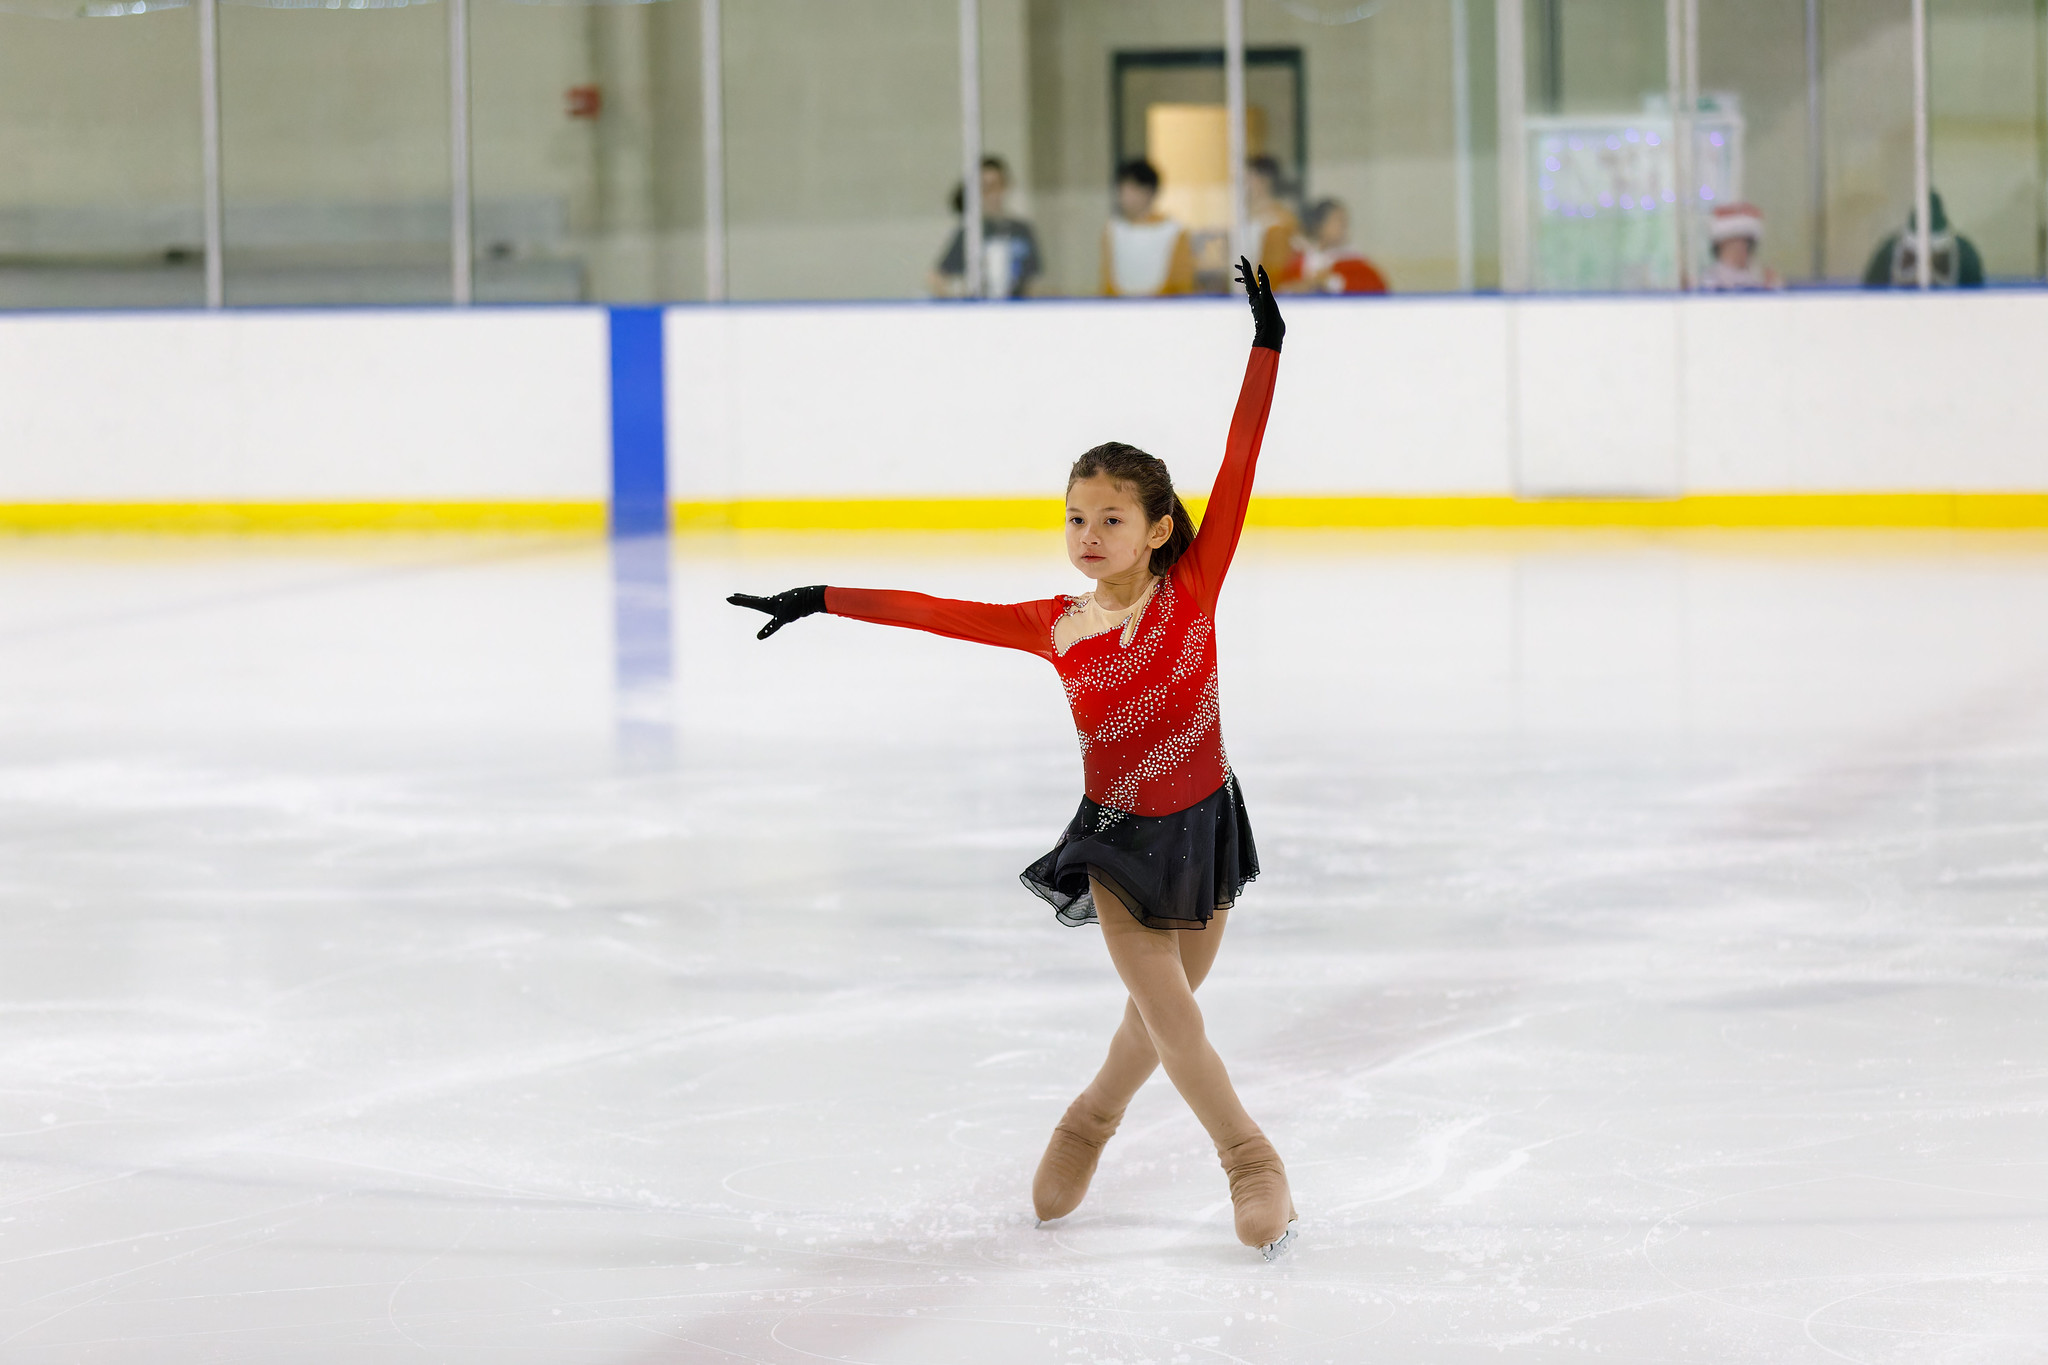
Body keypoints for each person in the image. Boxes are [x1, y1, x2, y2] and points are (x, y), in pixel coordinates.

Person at [728, 260, 1298, 1261]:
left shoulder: (1193, 587)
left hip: (1203, 820)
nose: (1087, 534)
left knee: (1160, 1019)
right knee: (1167, 1008)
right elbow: (933, 613)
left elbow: (1240, 457)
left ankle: (1088, 1119)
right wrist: (821, 595)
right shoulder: (1056, 624)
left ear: (1158, 529)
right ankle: (1251, 1164)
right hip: (1116, 842)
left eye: (1110, 518)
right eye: (1075, 516)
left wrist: (1265, 347)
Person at [932, 155, 1042, 300]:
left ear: (1006, 185)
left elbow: (1032, 281)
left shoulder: (1021, 230)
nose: (992, 194)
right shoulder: (971, 232)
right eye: (985, 187)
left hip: (1015, 311)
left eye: (997, 185)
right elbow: (936, 277)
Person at [1100, 159, 1197, 297]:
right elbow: (1107, 282)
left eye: (1131, 189)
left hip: (1164, 310)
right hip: (1121, 311)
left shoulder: (1174, 232)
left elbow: (1182, 284)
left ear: (1148, 191)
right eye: (1122, 189)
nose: (1124, 196)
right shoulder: (1112, 230)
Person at [1862, 191, 1984, 288]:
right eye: (1911, 258)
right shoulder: (1886, 255)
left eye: (1938, 261)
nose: (1923, 276)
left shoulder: (1965, 257)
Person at [1288, 197, 1388, 295]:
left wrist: (1331, 282)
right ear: (1320, 225)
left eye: (1345, 221)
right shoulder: (1301, 257)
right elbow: (1281, 289)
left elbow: (1379, 288)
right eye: (1338, 220)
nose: (1343, 226)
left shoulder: (1353, 260)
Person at [1697, 202, 1781, 291]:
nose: (1742, 247)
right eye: (1736, 242)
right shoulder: (1710, 281)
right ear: (1722, 244)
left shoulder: (1760, 278)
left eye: (1746, 242)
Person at [1245, 155, 1299, 283]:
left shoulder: (1282, 219)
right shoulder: (1243, 216)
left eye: (1249, 178)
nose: (1245, 184)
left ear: (1264, 180)